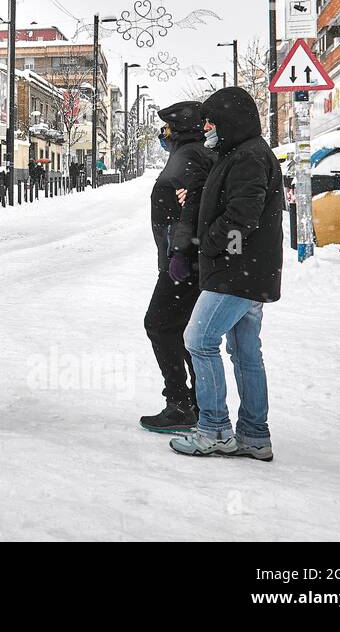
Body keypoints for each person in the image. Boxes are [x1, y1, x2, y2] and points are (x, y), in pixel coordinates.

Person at [168, 87, 283, 462]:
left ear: (229, 121)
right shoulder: (241, 153)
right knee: (245, 352)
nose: (206, 128)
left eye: (211, 121)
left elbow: (241, 219)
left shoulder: (248, 157)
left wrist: (211, 245)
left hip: (237, 273)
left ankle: (215, 429)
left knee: (198, 339)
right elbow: (232, 204)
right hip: (251, 272)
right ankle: (253, 435)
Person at [139, 101, 213, 433]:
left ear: (177, 129)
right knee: (181, 331)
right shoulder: (190, 156)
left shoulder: (189, 158)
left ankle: (183, 404)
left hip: (182, 263)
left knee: (160, 325)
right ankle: (196, 402)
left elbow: (191, 209)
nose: (162, 134)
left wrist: (180, 254)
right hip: (184, 260)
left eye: (166, 128)